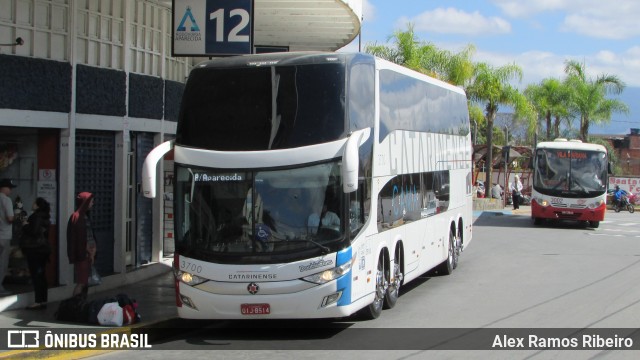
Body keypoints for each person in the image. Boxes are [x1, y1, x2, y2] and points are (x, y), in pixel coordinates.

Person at [20, 198, 51, 309]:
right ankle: (43, 300)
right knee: (41, 275)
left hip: (35, 249)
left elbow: (33, 231)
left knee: (36, 276)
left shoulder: (36, 216)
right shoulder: (45, 216)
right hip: (43, 249)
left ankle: (38, 301)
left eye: (34, 203)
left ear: (37, 206)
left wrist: (24, 224)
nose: (32, 204)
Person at [67, 192, 97, 297]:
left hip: (87, 254)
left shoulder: (84, 216)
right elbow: (79, 238)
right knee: (82, 281)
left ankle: (81, 302)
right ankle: (75, 303)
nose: (92, 204)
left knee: (84, 282)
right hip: (83, 255)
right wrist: (89, 250)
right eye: (91, 202)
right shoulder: (77, 217)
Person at [0, 179, 17, 296]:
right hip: (4, 236)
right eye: (9, 188)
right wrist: (18, 216)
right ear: (4, 188)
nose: (10, 190)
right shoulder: (6, 200)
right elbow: (10, 218)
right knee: (2, 263)